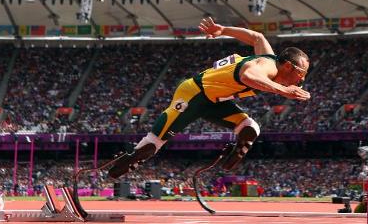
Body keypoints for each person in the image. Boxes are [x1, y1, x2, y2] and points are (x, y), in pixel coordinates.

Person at [108, 17, 311, 178]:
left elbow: (257, 37)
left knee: (250, 127)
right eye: (301, 75)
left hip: (215, 100)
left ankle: (234, 152)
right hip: (194, 93)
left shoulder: (269, 59)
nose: (300, 81)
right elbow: (247, 76)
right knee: (155, 141)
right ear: (287, 66)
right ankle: (130, 158)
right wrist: (284, 91)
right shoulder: (266, 66)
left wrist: (223, 30)